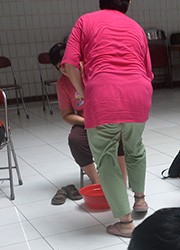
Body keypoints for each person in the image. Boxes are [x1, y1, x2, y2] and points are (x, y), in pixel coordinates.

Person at [63, 0, 153, 238]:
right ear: (129, 2)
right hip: (138, 93)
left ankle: (125, 223)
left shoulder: (85, 21)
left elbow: (70, 64)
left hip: (103, 94)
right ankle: (140, 200)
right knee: (135, 147)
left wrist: (83, 91)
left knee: (106, 158)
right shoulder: (136, 27)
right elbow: (147, 70)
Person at [48, 42, 125, 189]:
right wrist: (86, 121)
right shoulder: (63, 83)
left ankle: (121, 178)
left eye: (67, 63)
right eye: (60, 67)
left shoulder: (95, 72)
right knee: (75, 140)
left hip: (108, 116)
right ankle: (97, 181)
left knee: (118, 132)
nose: (65, 69)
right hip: (86, 120)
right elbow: (66, 114)